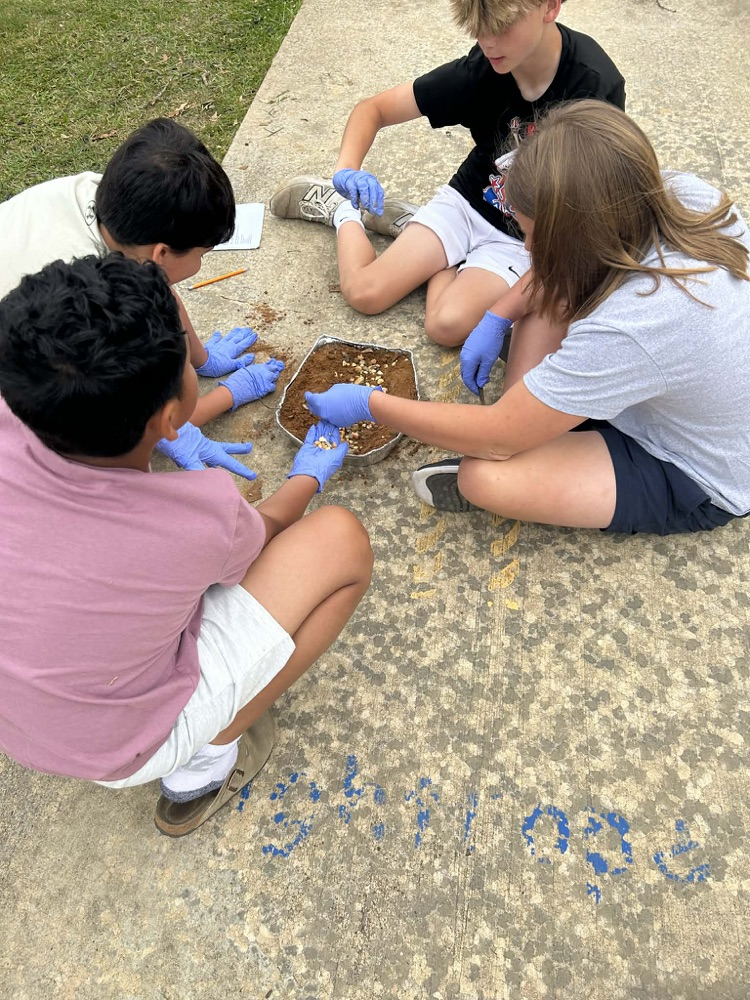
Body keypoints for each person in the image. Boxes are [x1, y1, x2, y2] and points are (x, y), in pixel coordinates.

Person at [0, 254, 372, 837]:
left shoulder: (17, 408)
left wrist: (217, 399)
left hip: (20, 724)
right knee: (340, 542)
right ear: (173, 412)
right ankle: (204, 765)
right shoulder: (197, 515)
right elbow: (263, 531)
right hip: (124, 749)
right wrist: (307, 475)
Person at [303, 101, 750, 536]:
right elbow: (558, 271)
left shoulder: (634, 326)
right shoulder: (675, 193)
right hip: (675, 386)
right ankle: (551, 423)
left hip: (697, 462)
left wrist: (371, 405)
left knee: (485, 475)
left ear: (577, 232)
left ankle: (547, 455)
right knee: (547, 292)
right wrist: (500, 313)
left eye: (534, 236)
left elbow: (499, 436)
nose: (530, 251)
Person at [269, 0, 624, 346]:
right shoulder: (481, 70)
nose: (488, 43)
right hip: (470, 200)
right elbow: (373, 110)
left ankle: (422, 232)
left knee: (445, 326)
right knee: (365, 293)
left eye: (500, 27)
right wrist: (346, 170)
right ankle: (343, 210)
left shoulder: (594, 86)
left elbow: (593, 214)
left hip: (530, 236)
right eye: (479, 29)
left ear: (550, 6)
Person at [0, 118, 284, 478]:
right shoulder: (79, 300)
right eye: (203, 253)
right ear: (162, 253)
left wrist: (202, 357)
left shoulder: (111, 204)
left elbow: (155, 286)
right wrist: (220, 400)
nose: (201, 261)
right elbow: (119, 413)